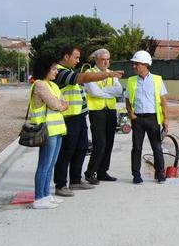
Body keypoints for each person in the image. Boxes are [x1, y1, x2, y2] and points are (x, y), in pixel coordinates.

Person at [53, 46, 123, 197]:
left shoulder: (70, 71)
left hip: (79, 115)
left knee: (81, 148)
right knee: (67, 151)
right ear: (66, 56)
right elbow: (86, 82)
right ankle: (60, 184)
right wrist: (109, 75)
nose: (78, 61)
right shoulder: (60, 71)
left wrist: (106, 86)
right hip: (69, 116)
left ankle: (76, 181)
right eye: (76, 57)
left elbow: (118, 91)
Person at [29, 60, 69, 209]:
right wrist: (60, 104)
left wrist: (61, 104)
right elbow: (57, 105)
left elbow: (65, 104)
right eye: (53, 69)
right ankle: (39, 198)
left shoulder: (53, 85)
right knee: (44, 165)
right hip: (47, 130)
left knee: (51, 164)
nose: (56, 72)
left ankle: (46, 195)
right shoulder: (39, 84)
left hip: (57, 129)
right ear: (45, 69)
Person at [125, 50, 168, 184]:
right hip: (137, 119)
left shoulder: (157, 79)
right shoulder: (131, 81)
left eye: (136, 64)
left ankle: (160, 174)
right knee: (136, 148)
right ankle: (136, 175)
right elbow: (127, 99)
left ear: (145, 64)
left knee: (157, 147)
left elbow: (163, 101)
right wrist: (130, 113)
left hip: (153, 119)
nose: (134, 66)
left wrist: (165, 118)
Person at [84, 49, 123, 184]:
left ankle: (102, 171)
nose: (106, 62)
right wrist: (108, 92)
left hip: (110, 111)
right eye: (103, 59)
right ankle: (90, 172)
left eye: (108, 59)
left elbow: (118, 91)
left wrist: (103, 92)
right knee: (99, 143)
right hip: (97, 111)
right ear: (96, 60)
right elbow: (93, 92)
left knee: (109, 142)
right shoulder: (89, 74)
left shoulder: (111, 73)